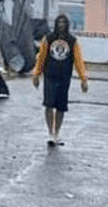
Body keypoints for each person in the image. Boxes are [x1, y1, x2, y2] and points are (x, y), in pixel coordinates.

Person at [31, 14, 88, 146]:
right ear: (56, 24)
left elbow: (78, 61)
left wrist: (83, 79)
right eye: (59, 22)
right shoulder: (49, 39)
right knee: (49, 104)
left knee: (61, 107)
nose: (61, 25)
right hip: (50, 76)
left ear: (67, 25)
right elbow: (41, 58)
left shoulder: (72, 41)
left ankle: (57, 132)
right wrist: (36, 74)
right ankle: (50, 133)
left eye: (64, 22)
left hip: (64, 77)